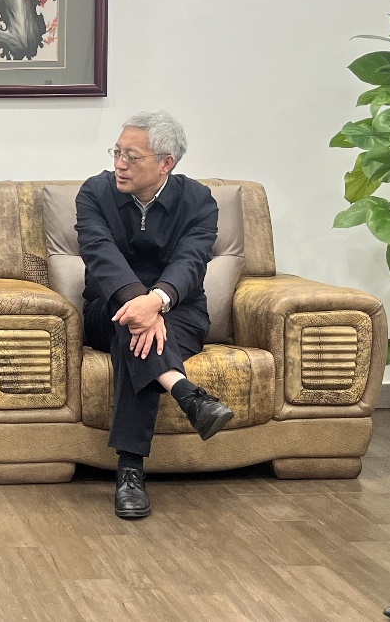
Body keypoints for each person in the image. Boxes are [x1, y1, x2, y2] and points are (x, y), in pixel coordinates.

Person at [76, 110, 234, 519]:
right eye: (117, 152)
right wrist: (139, 305)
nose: (120, 164)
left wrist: (157, 301)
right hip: (107, 308)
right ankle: (187, 395)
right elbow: (101, 256)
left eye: (131, 156)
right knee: (130, 324)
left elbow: (191, 261)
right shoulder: (95, 193)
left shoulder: (198, 200)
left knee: (135, 339)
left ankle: (130, 471)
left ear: (166, 163)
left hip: (179, 310)